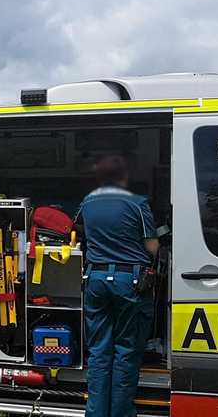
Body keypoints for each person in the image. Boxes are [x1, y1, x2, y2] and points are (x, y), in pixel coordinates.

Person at [76, 155, 159, 417]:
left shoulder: (88, 202)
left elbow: (77, 228)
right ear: (125, 177)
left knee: (99, 352)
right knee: (126, 350)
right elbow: (152, 246)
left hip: (96, 281)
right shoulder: (137, 203)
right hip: (129, 283)